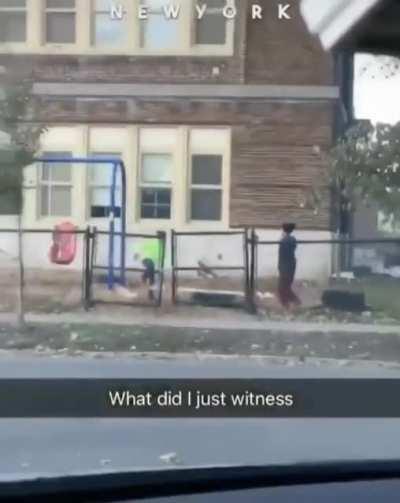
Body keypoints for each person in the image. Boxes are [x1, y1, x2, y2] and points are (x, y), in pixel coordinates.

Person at [278, 223, 301, 308]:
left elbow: (284, 253)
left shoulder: (286, 239)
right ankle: (290, 304)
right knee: (284, 287)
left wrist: (283, 238)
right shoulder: (290, 239)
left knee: (283, 287)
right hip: (288, 265)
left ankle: (292, 303)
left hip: (286, 265)